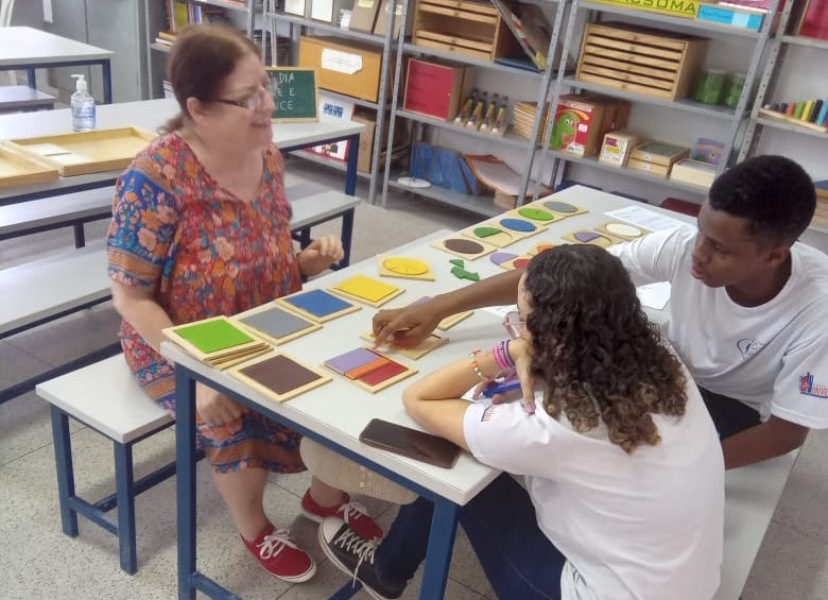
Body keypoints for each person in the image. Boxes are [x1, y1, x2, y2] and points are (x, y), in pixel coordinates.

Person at [105, 24, 381, 583]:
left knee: (341, 377)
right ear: (199, 109)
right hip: (177, 338)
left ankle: (323, 499)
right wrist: (198, 371)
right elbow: (130, 297)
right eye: (248, 96)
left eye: (266, 87)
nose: (267, 105)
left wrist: (302, 261)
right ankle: (254, 527)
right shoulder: (156, 177)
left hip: (261, 314)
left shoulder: (267, 155)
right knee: (228, 412)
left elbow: (260, 246)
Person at [319, 245, 725, 600]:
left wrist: (505, 351)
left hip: (592, 592)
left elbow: (419, 398)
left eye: (522, 318)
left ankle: (386, 571)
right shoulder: (659, 355)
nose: (517, 324)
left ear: (553, 334)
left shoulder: (553, 425)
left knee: (460, 474)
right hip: (686, 582)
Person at [373, 155, 828, 469]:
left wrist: (691, 470)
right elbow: (564, 276)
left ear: (774, 255)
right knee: (552, 399)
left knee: (591, 445)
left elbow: (787, 433)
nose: (699, 254)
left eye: (720, 248)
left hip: (731, 406)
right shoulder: (687, 247)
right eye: (700, 232)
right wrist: (440, 305)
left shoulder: (817, 309)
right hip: (668, 374)